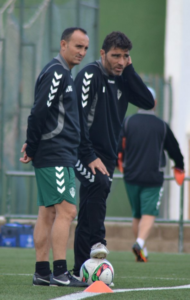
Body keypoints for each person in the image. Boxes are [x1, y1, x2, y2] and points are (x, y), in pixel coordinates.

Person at [72, 31, 155, 278]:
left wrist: (129, 71)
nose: (120, 61)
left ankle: (79, 270)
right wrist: (88, 155)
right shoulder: (90, 75)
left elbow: (148, 101)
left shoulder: (123, 77)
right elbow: (76, 119)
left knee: (89, 209)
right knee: (97, 185)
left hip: (107, 156)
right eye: (115, 56)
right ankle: (99, 241)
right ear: (103, 54)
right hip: (82, 151)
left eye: (125, 56)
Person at [20, 27, 89, 287]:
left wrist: (34, 146)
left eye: (85, 48)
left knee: (47, 213)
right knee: (67, 211)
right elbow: (38, 112)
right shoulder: (57, 73)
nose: (82, 52)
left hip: (58, 152)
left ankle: (42, 272)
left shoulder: (62, 73)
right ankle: (60, 272)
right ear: (63, 45)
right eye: (77, 46)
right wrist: (33, 147)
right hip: (55, 153)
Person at [119, 87, 185, 262]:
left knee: (137, 214)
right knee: (149, 212)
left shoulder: (127, 122)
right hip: (153, 177)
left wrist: (118, 164)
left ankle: (143, 250)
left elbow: (118, 147)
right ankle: (140, 243)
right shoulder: (161, 126)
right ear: (155, 103)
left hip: (130, 176)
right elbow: (175, 149)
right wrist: (179, 166)